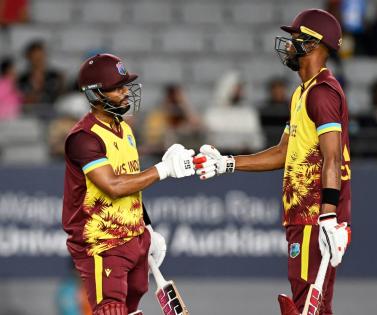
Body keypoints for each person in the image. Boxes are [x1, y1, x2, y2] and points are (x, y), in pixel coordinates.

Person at [194, 9, 351, 315]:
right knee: (313, 307)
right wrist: (226, 163)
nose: (289, 45)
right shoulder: (302, 94)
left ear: (315, 44)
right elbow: (283, 152)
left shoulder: (321, 94)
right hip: (303, 217)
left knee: (310, 306)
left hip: (313, 216)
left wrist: (329, 218)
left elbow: (331, 158)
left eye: (296, 39)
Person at [62, 53, 195, 315]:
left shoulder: (124, 129)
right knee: (111, 309)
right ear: (95, 94)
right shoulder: (84, 138)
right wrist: (163, 169)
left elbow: (131, 184)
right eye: (116, 88)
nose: (125, 92)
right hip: (103, 243)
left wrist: (146, 227)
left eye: (125, 85)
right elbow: (113, 185)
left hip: (134, 238)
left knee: (130, 310)